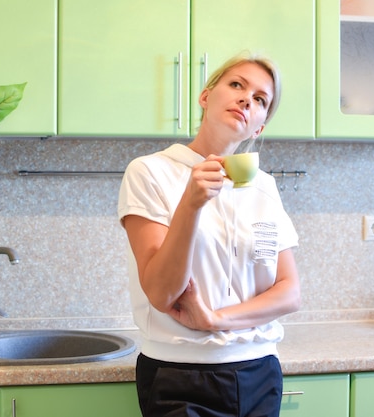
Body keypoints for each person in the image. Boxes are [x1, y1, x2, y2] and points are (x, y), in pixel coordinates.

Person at [118, 53, 301, 417]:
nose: (248, 98)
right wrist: (191, 204)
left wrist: (214, 320)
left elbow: (288, 292)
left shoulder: (264, 187)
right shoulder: (149, 172)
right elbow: (160, 291)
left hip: (260, 370)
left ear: (259, 127)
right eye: (237, 85)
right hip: (180, 374)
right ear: (205, 96)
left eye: (261, 99)